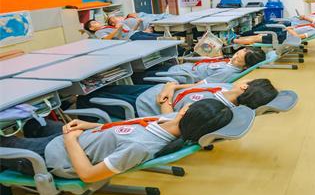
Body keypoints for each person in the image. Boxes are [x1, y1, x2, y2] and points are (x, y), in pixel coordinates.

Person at [0, 99, 234, 195]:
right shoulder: (172, 122)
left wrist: (71, 140)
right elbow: (124, 129)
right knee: (32, 121)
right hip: (80, 138)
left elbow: (88, 176)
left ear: (187, 112)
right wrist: (89, 125)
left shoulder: (141, 146)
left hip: (56, 156)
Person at [76, 78, 278, 118]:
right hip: (152, 90)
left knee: (86, 98)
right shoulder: (226, 87)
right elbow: (197, 85)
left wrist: (166, 100)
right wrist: (171, 85)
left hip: (142, 106)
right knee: (101, 87)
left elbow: (171, 119)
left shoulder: (212, 107)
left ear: (245, 86)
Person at [164, 47, 266, 83]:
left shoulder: (226, 73)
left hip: (176, 75)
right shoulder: (230, 63)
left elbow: (198, 86)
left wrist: (173, 87)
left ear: (246, 67)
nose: (234, 57)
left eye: (237, 60)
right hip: (181, 68)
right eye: (237, 53)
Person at [83, 18, 161, 41]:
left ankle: (171, 38)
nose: (97, 22)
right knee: (156, 38)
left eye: (96, 21)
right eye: (94, 23)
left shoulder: (107, 27)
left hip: (135, 32)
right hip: (130, 37)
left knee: (159, 36)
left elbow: (129, 30)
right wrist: (117, 29)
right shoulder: (98, 32)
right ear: (91, 28)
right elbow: (106, 39)